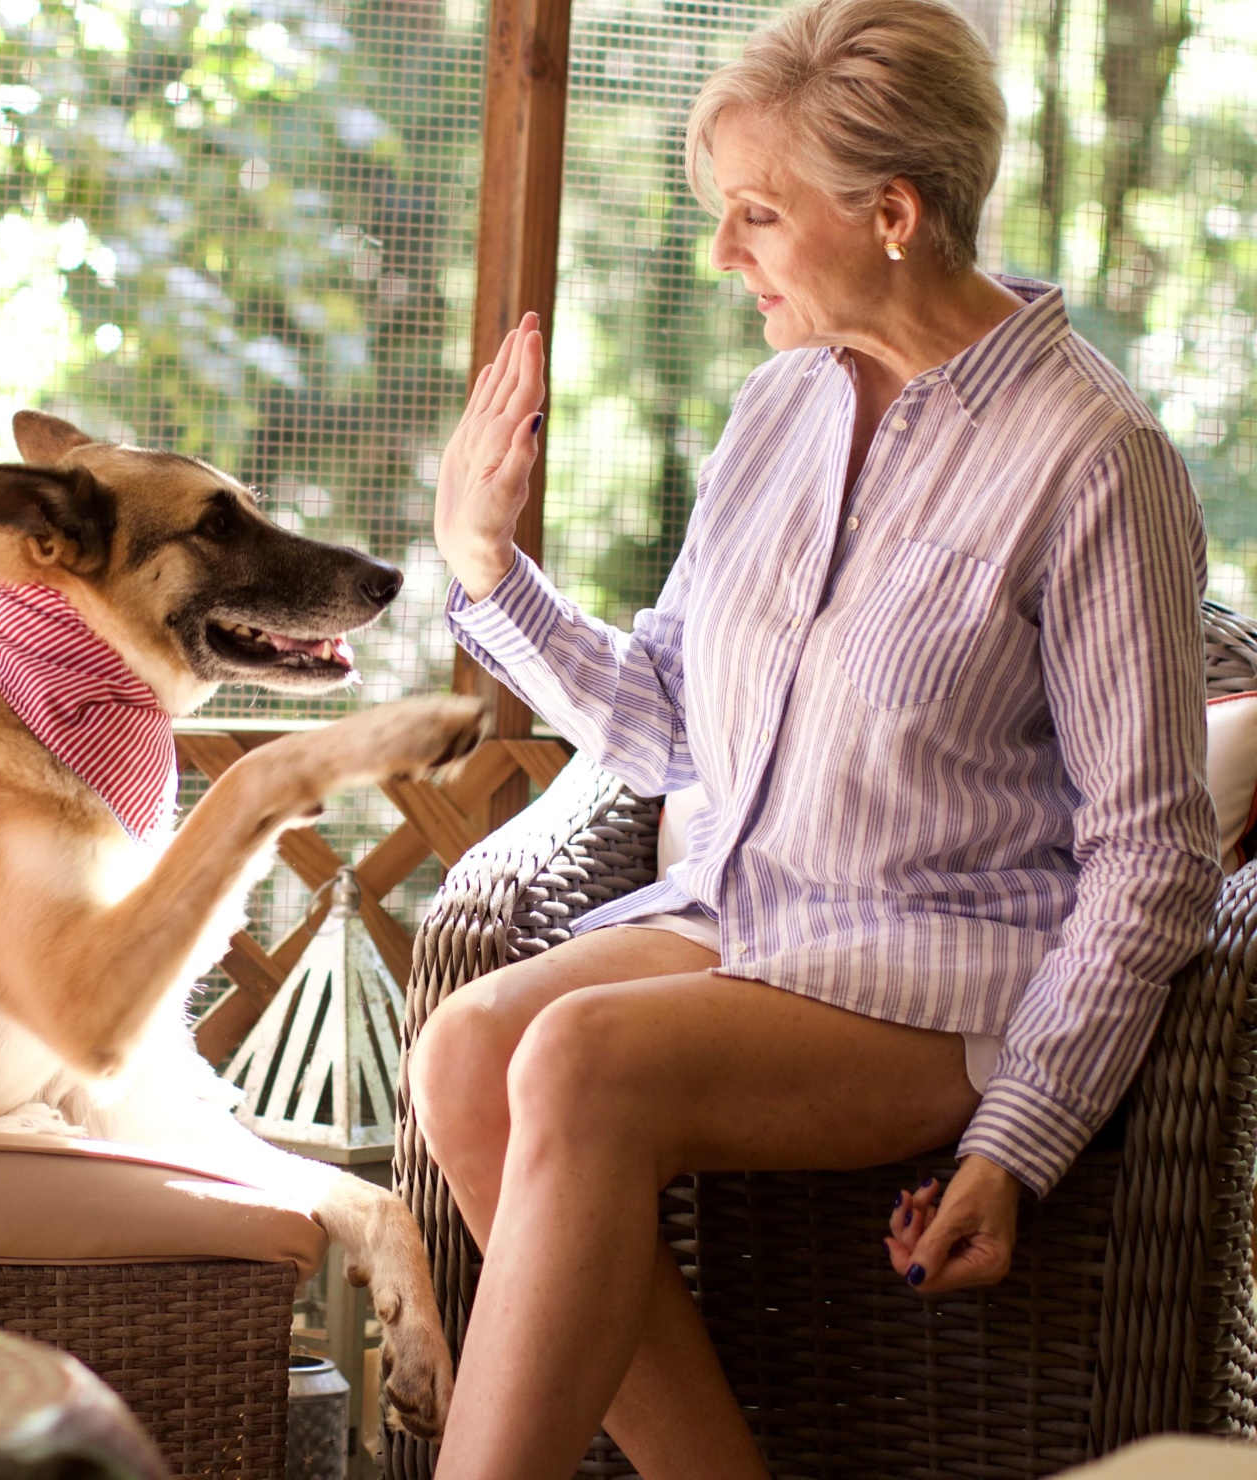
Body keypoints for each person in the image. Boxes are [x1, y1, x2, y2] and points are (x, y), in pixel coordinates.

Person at [410, 0, 1222, 1474]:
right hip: (738, 918)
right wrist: (488, 571)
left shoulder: (1099, 463)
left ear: (894, 213)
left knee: (579, 1058)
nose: (723, 255)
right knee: (470, 1049)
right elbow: (664, 728)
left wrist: (1019, 1137)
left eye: (755, 217)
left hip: (940, 972)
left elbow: (1154, 857)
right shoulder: (778, 408)